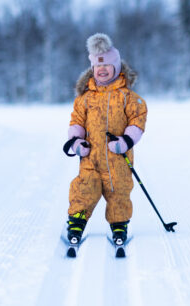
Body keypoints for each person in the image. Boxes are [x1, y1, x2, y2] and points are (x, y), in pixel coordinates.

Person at [64, 33, 148, 245]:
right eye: (98, 67)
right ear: (92, 69)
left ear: (117, 67)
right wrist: (76, 142)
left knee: (119, 190)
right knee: (85, 188)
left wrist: (126, 141)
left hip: (118, 157)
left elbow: (137, 120)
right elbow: (76, 122)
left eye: (107, 66)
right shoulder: (85, 98)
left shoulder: (128, 97)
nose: (102, 70)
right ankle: (76, 222)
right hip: (91, 157)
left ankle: (119, 225)